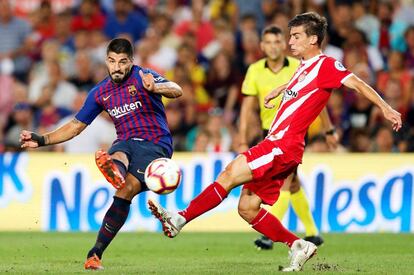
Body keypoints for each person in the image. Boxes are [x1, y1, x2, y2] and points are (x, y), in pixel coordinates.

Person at [147, 12, 402, 272]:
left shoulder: (326, 65)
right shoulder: (303, 66)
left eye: (296, 36)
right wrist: (280, 90)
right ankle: (298, 245)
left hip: (282, 145)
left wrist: (385, 107)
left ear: (313, 39)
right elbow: (302, 90)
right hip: (282, 146)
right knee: (247, 208)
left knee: (229, 173)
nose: (290, 41)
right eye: (290, 36)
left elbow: (357, 83)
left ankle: (179, 218)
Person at [19, 38, 183, 270]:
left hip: (155, 145)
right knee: (121, 167)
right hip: (125, 142)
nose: (117, 67)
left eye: (123, 62)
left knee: (125, 186)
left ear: (131, 62)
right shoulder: (100, 92)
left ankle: (116, 173)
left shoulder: (142, 76)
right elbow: (76, 126)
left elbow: (177, 89)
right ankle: (94, 253)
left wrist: (157, 87)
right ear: (106, 60)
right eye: (112, 61)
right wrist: (43, 139)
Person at [239, 24, 337, 250]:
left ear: (284, 44)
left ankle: (268, 237)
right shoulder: (254, 70)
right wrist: (243, 137)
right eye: (269, 42)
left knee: (286, 182)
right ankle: (313, 233)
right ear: (262, 46)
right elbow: (246, 108)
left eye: (277, 42)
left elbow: (318, 99)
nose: (273, 47)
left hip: (294, 133)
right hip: (269, 133)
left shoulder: (298, 66)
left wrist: (328, 129)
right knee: (293, 184)